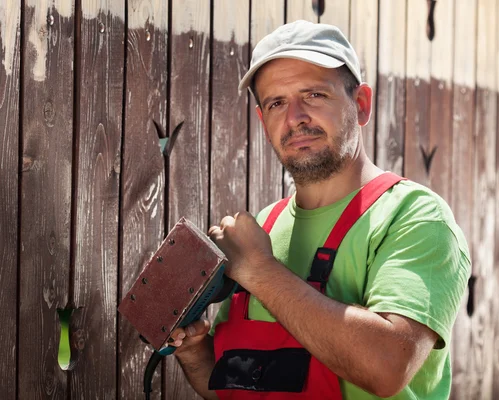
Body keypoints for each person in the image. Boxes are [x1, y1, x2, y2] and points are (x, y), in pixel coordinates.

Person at [170, 20, 471, 399]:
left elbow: (387, 368)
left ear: (360, 105)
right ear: (264, 121)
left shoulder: (413, 217)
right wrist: (195, 353)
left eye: (313, 95)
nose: (295, 117)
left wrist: (260, 271)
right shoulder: (264, 227)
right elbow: (237, 389)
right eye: (276, 102)